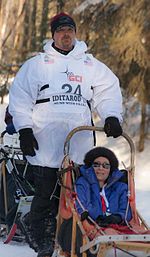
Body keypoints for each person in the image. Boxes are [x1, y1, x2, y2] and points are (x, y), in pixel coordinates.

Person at [8, 12, 123, 257]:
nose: (66, 34)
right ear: (53, 35)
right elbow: (20, 98)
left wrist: (111, 116)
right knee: (46, 197)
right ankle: (43, 241)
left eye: (70, 29)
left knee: (78, 198)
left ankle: (75, 242)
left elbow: (108, 91)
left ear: (75, 33)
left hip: (79, 145)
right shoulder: (37, 64)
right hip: (46, 145)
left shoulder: (89, 64)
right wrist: (25, 129)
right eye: (61, 30)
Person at [58, 147, 132, 256]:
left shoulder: (120, 187)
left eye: (105, 165)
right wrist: (98, 218)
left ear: (110, 169)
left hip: (115, 226)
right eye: (96, 164)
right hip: (86, 226)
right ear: (90, 167)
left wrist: (117, 217)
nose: (101, 168)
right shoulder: (82, 183)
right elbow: (81, 206)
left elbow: (126, 211)